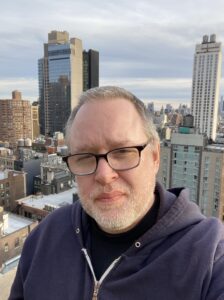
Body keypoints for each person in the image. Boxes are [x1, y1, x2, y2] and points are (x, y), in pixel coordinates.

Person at [9, 86, 224, 300]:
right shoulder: (44, 238)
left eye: (122, 152)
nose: (104, 174)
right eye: (84, 156)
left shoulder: (210, 256)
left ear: (155, 156)